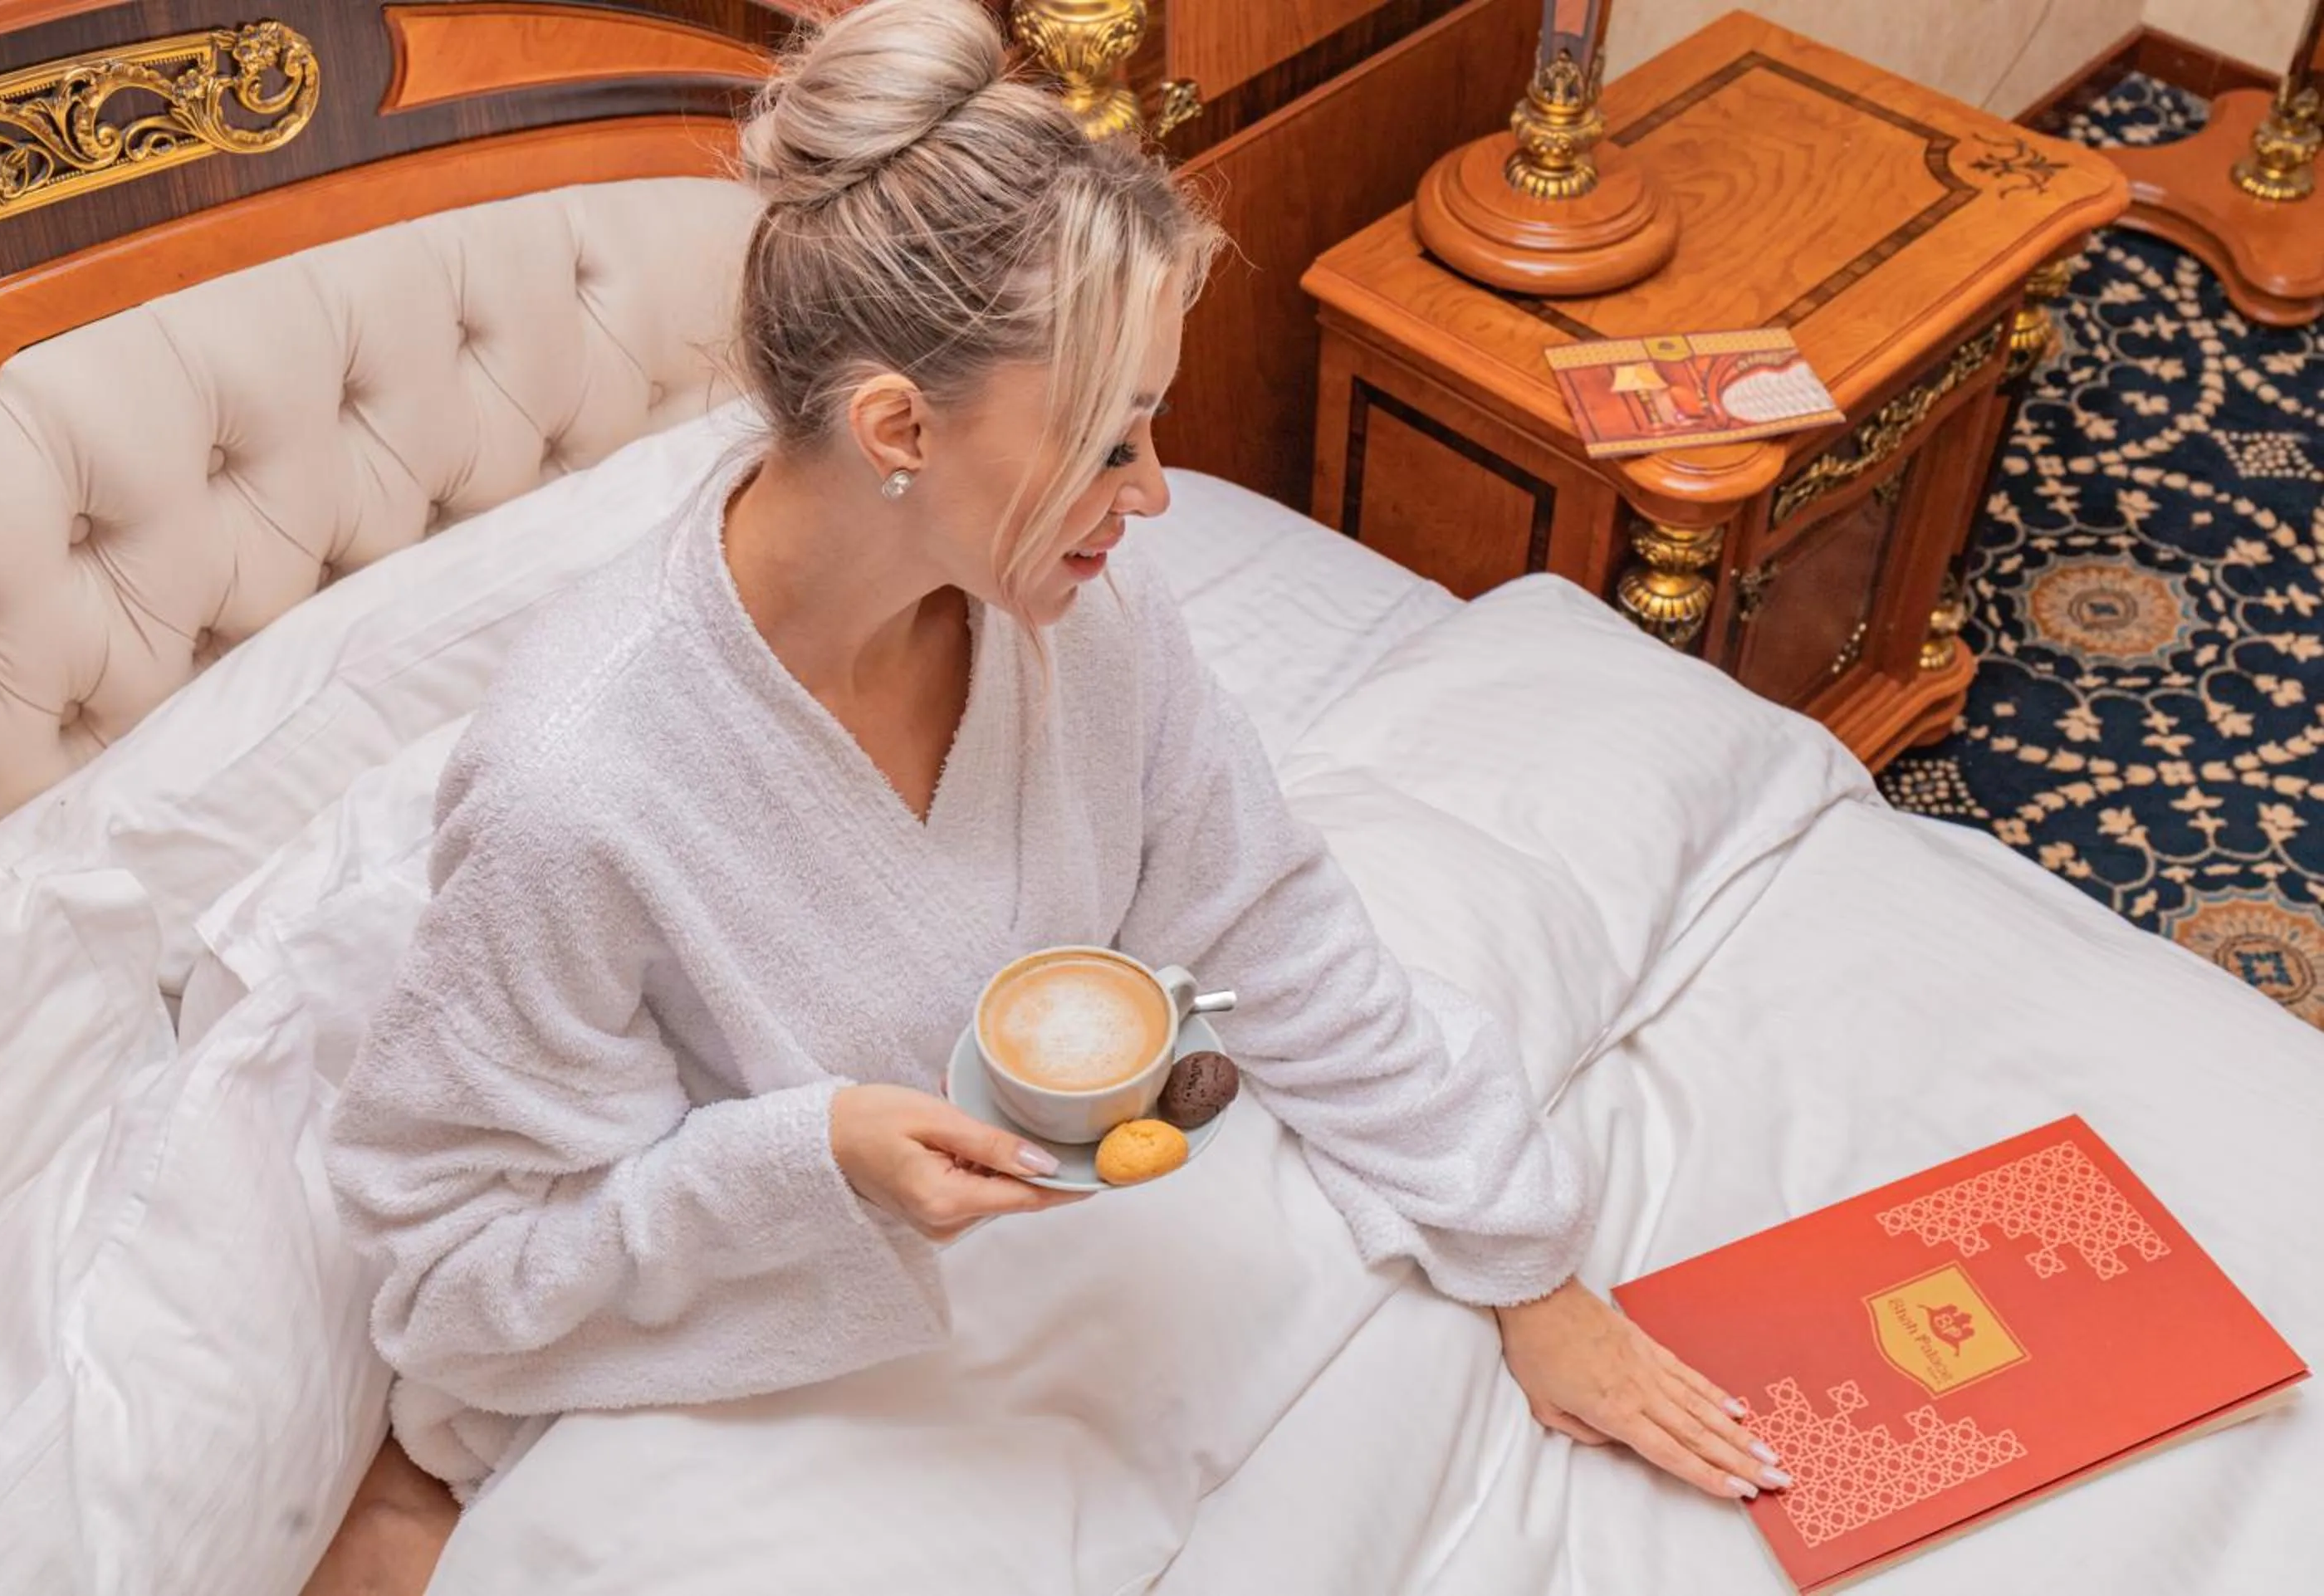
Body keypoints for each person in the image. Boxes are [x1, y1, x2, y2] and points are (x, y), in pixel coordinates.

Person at [325, 0, 1787, 1528]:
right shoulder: (581, 788)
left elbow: (1259, 910)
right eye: (1109, 439)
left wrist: (1522, 1263)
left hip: (1088, 1267)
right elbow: (456, 1279)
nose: (1153, 496)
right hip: (794, 1324)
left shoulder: (1070, 607)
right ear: (897, 425)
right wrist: (809, 1157)